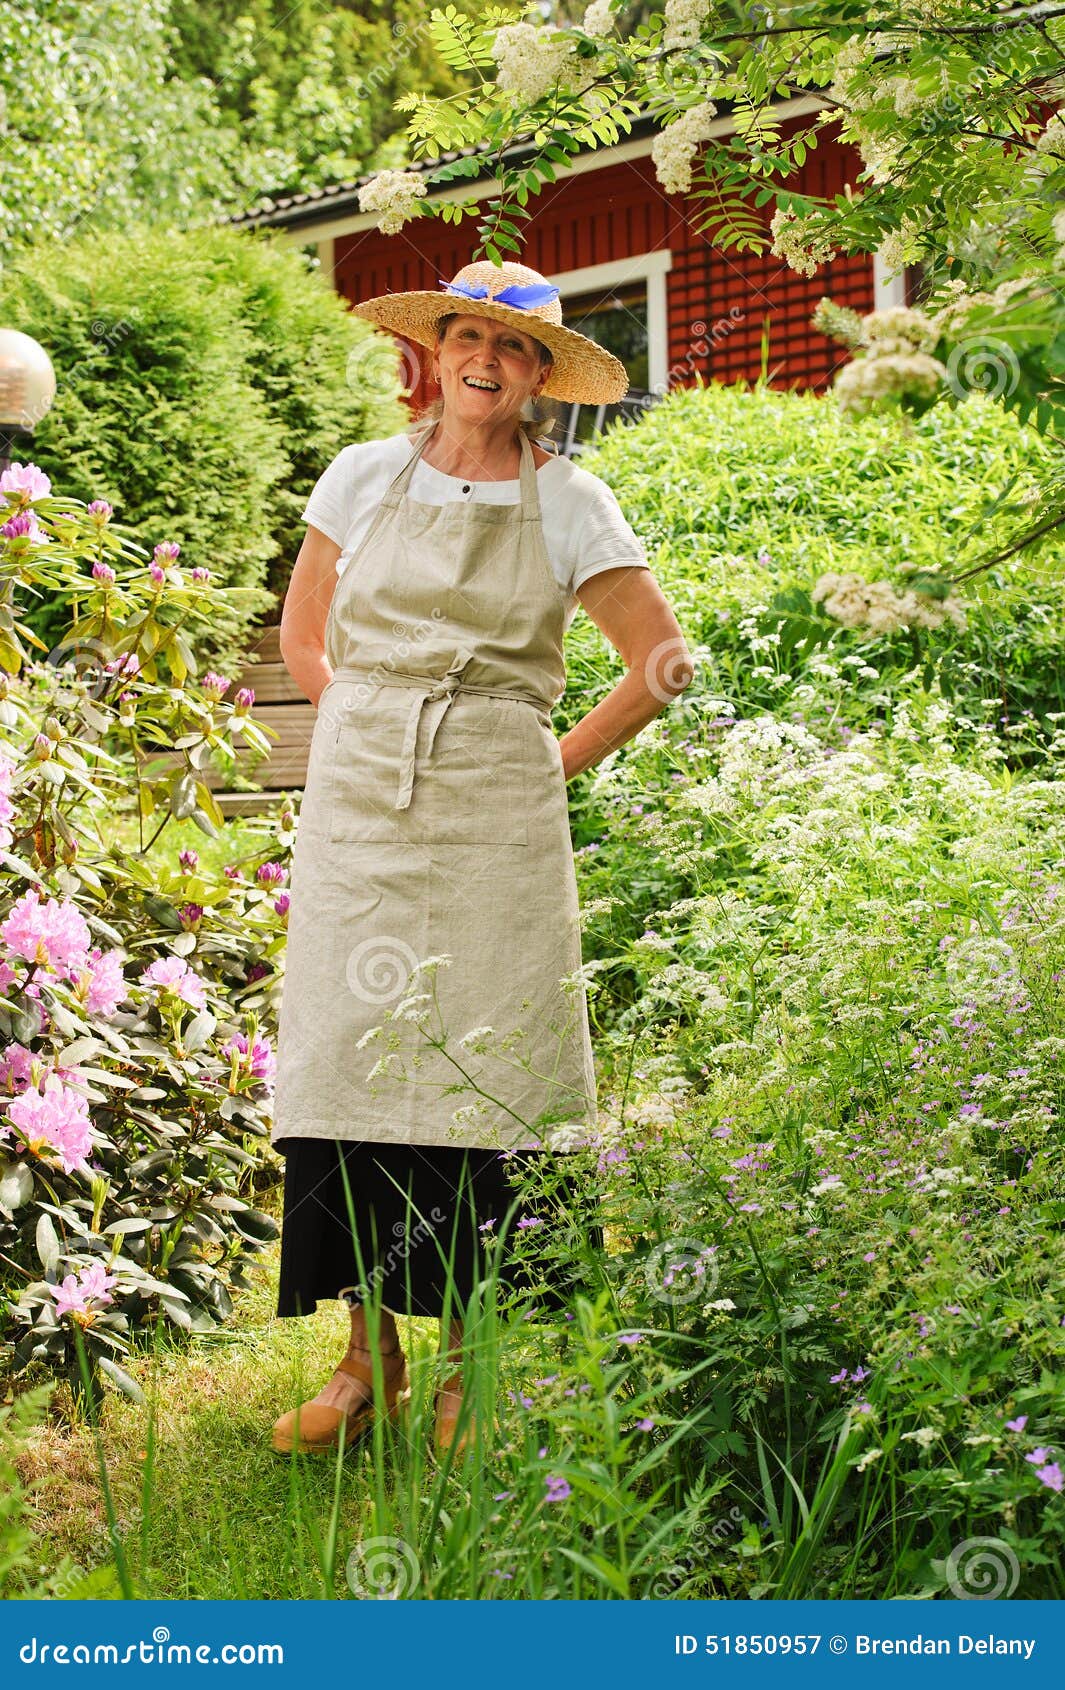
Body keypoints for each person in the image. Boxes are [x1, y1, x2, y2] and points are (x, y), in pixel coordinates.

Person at [269, 257, 694, 1460]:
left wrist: (540, 763)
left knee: (486, 1068)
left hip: (495, 806)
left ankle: (467, 1364)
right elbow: (306, 636)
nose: (485, 361)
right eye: (468, 335)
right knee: (348, 1056)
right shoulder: (360, 476)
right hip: (361, 800)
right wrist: (356, 724)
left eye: (514, 348)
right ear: (437, 346)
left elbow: (662, 665)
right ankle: (366, 1359)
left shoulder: (572, 502)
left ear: (542, 374)